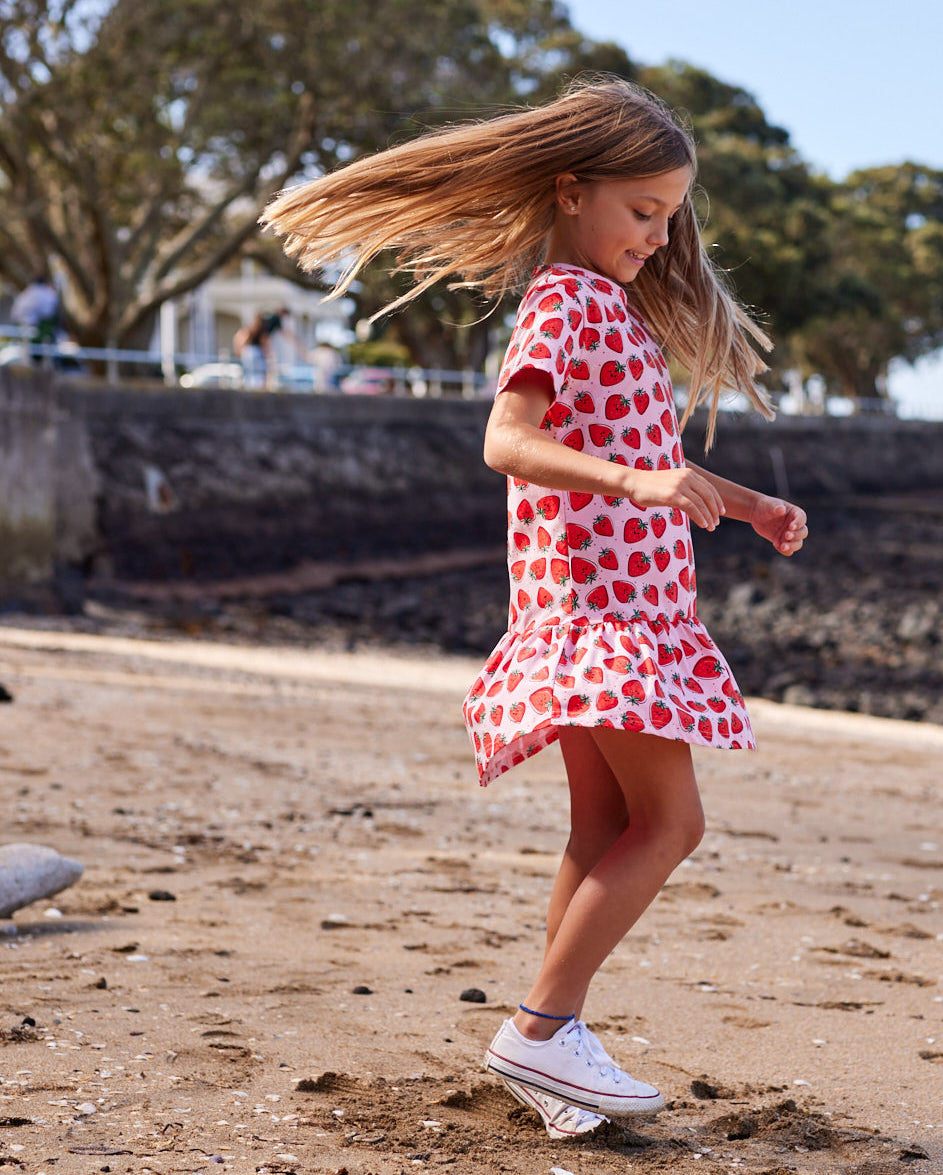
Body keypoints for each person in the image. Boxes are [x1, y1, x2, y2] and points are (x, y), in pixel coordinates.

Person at [259, 75, 808, 1140]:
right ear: (569, 190)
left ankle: (551, 1050)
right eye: (641, 211)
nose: (657, 236)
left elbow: (642, 452)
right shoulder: (562, 300)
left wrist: (737, 502)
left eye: (669, 218)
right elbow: (506, 442)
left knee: (604, 822)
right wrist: (641, 487)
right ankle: (541, 1025)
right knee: (671, 820)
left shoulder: (607, 304)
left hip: (619, 602)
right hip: (603, 611)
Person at [232, 307, 304, 390]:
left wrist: (240, 348)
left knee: (250, 376)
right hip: (256, 351)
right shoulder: (275, 320)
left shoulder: (263, 320)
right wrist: (268, 353)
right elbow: (265, 338)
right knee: (260, 375)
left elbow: (243, 335)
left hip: (248, 351)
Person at [12, 274, 60, 362]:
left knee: (29, 345)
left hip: (29, 326)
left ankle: (29, 361)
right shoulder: (50, 294)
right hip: (41, 327)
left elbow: (16, 313)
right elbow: (50, 312)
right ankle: (43, 362)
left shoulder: (25, 294)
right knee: (42, 344)